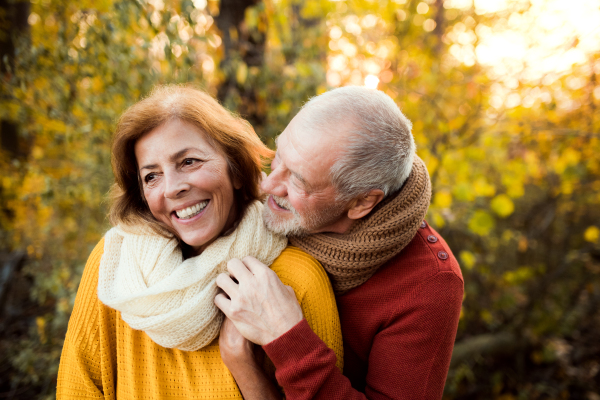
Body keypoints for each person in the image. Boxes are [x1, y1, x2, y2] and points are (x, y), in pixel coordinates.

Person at [56, 85, 343, 400]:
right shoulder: (114, 266)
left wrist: (244, 367)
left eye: (189, 161)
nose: (172, 188)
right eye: (151, 176)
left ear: (235, 170)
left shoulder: (297, 281)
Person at [215, 86, 464, 400]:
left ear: (361, 202)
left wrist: (285, 337)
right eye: (279, 155)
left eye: (297, 179)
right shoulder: (251, 208)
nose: (267, 185)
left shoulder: (428, 284)